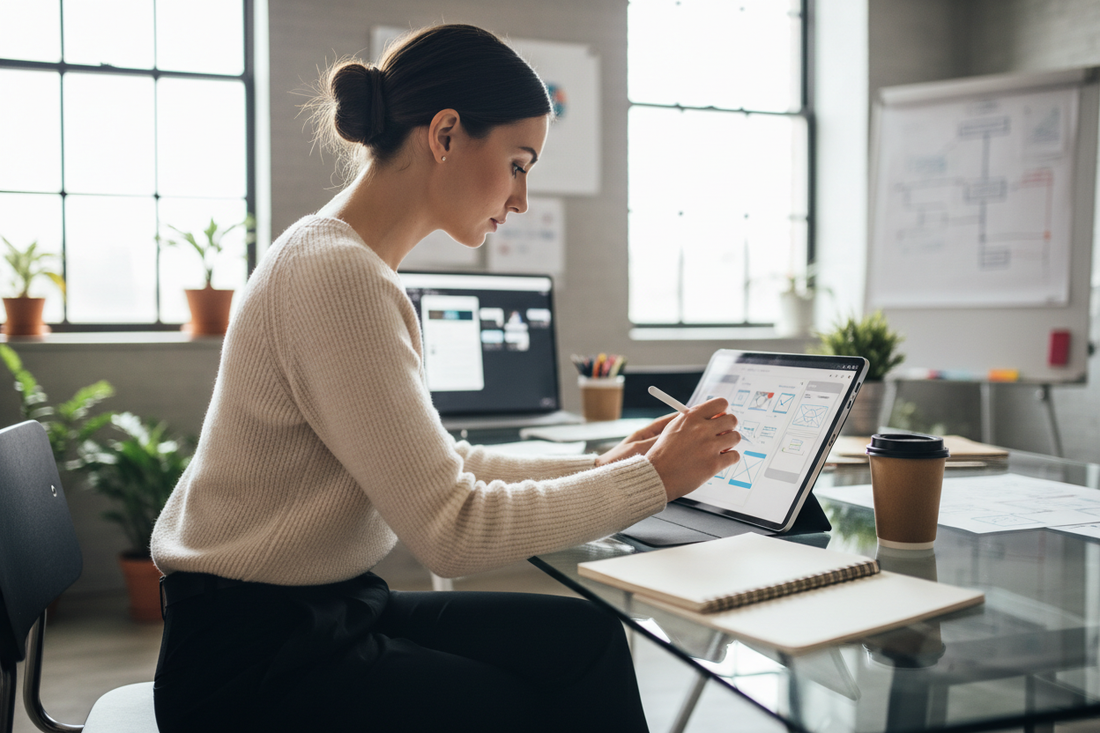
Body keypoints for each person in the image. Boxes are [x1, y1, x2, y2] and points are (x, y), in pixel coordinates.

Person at [150, 23, 741, 733]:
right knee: (533, 709)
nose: (521, 198)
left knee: (583, 643)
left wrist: (604, 464)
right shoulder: (337, 276)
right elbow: (451, 531)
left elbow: (441, 465)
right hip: (252, 660)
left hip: (325, 610)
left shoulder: (346, 262)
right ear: (447, 134)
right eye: (519, 163)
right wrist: (652, 482)